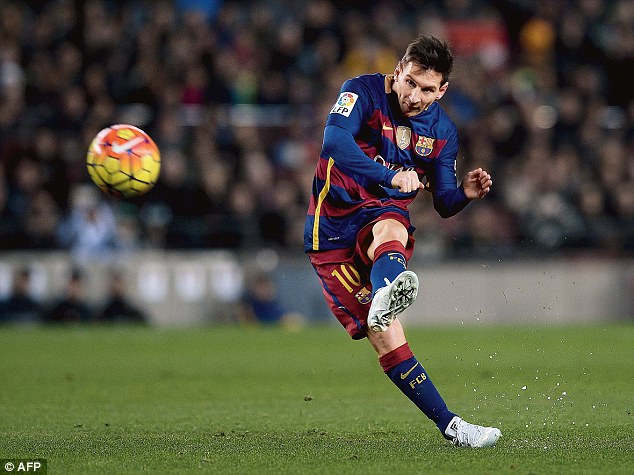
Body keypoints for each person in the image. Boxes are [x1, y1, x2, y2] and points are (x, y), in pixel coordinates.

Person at [304, 35, 500, 448]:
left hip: (382, 213)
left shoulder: (442, 132)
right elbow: (334, 142)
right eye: (410, 82)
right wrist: (389, 176)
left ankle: (454, 428)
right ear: (398, 72)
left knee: (392, 227)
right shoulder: (361, 91)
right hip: (331, 231)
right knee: (386, 337)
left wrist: (464, 194)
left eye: (427, 89)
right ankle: (385, 296)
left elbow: (443, 203)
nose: (414, 96)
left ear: (442, 90)